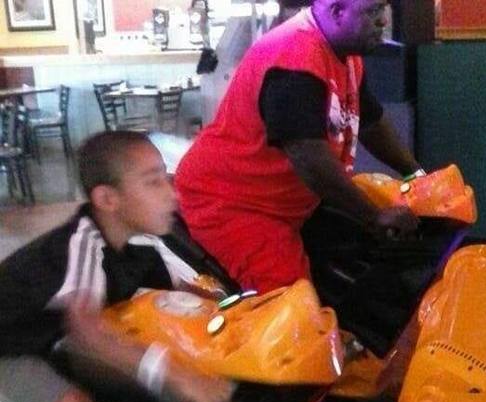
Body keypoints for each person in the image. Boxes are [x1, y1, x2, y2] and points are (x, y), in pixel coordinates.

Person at [0, 131, 234, 402]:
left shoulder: (137, 246)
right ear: (108, 199)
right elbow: (89, 334)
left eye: (166, 178)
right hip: (6, 353)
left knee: (126, 366)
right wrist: (180, 377)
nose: (171, 193)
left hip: (39, 345)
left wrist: (233, 310)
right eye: (153, 182)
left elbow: (186, 292)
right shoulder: (81, 243)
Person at [176, 0, 424, 294]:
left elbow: (370, 122)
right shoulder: (294, 56)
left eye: (384, 9)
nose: (383, 20)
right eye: (372, 11)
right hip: (233, 202)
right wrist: (373, 217)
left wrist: (417, 174)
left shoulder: (347, 56)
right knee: (293, 300)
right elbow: (310, 160)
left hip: (285, 200)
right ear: (337, 12)